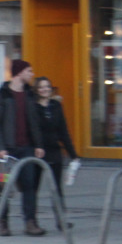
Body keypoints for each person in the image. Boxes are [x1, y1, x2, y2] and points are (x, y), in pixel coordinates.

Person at [0, 59, 46, 236]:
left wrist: (38, 144)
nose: (32, 74)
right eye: (29, 71)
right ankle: (3, 222)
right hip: (7, 149)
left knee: (29, 185)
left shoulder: (29, 94)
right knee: (2, 188)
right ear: (19, 72)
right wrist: (0, 146)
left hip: (27, 148)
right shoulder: (2, 94)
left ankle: (30, 222)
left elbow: (35, 122)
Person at [33, 76, 78, 229]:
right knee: (34, 187)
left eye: (47, 86)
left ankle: (61, 220)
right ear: (37, 90)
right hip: (38, 151)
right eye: (41, 87)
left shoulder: (56, 106)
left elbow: (63, 131)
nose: (44, 89)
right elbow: (34, 130)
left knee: (56, 188)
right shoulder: (33, 107)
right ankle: (32, 221)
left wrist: (72, 153)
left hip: (54, 151)